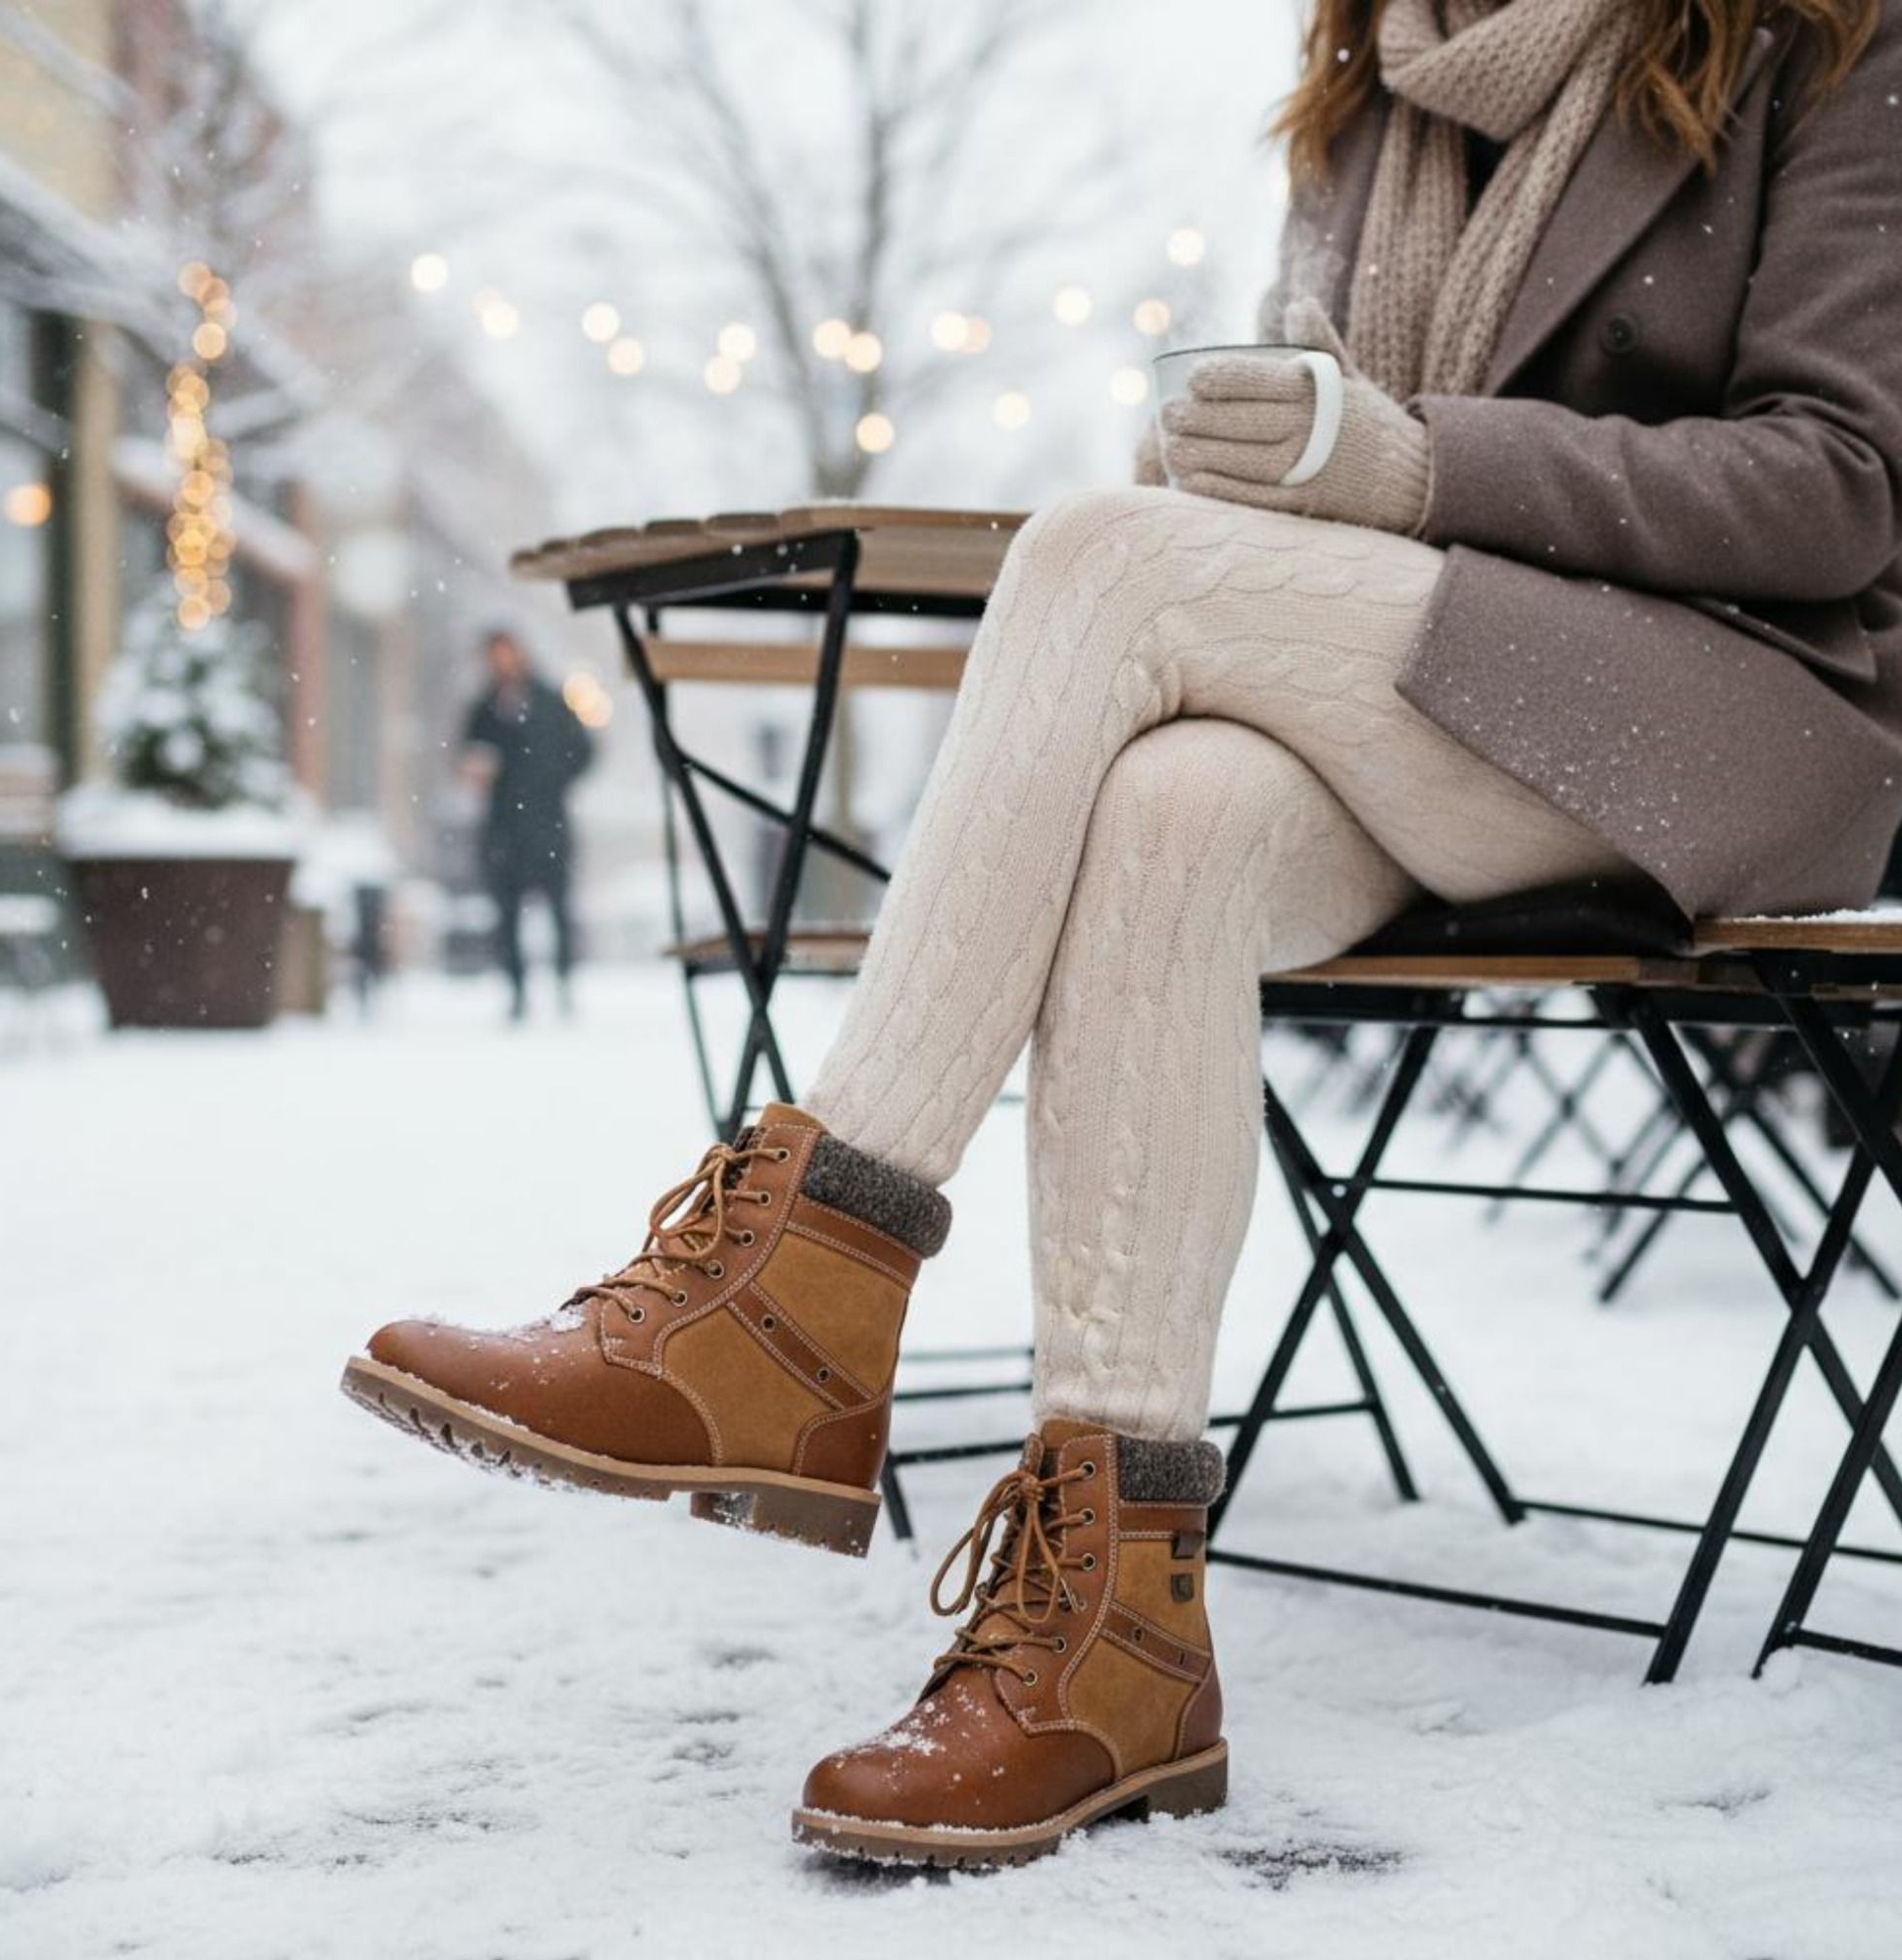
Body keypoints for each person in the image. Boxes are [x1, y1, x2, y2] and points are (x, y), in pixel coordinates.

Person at [345, 0, 1902, 1868]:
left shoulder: (1816, 42)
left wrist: (1409, 465)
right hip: (1434, 710)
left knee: (1093, 556)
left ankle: (797, 1286)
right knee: (1167, 812)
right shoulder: (1365, 97)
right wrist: (1263, 464)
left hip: (1721, 715)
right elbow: (1329, 470)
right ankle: (1114, 1637)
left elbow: (1841, 486)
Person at [460, 628, 594, 1019]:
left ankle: (565, 984)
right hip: (503, 827)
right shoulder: (483, 708)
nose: (502, 662)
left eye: (507, 654)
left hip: (548, 822)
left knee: (559, 910)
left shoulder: (552, 702)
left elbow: (584, 750)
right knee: (507, 912)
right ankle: (516, 991)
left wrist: (552, 779)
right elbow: (469, 755)